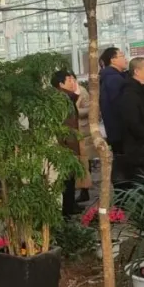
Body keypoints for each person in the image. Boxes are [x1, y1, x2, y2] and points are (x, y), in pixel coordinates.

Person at [111, 57, 144, 188]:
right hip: (141, 148)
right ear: (136, 71)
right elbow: (132, 122)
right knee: (143, 184)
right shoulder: (130, 94)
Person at [51, 70, 83, 217]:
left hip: (68, 143)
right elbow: (65, 125)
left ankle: (69, 207)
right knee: (66, 179)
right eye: (69, 80)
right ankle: (66, 210)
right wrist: (70, 147)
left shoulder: (67, 97)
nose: (73, 82)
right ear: (61, 84)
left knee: (69, 178)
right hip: (65, 145)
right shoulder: (61, 99)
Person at [98, 47, 129, 153]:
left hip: (116, 132)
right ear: (113, 60)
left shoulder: (110, 76)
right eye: (122, 56)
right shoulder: (114, 79)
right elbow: (120, 106)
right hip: (121, 132)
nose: (126, 59)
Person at [74, 79, 93, 202]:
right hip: (73, 132)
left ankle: (85, 190)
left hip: (83, 131)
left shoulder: (82, 91)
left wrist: (74, 111)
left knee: (85, 162)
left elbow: (89, 109)